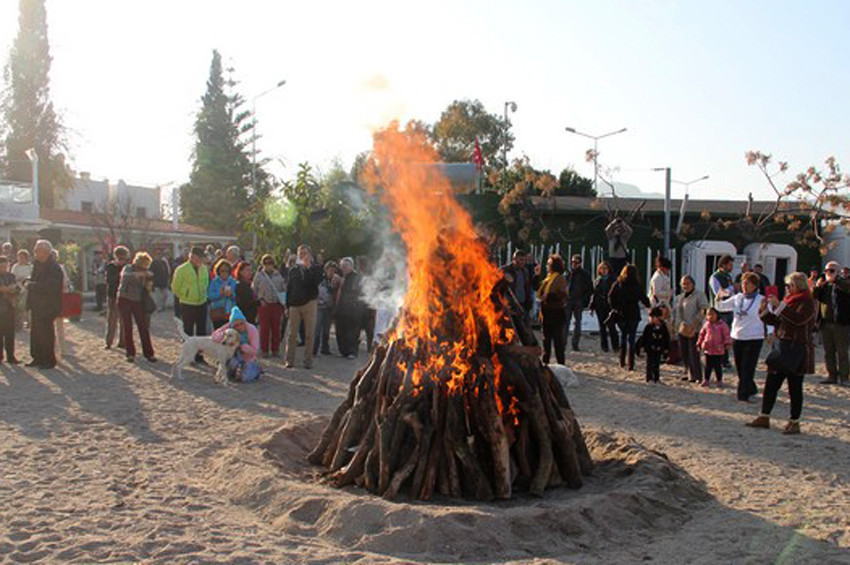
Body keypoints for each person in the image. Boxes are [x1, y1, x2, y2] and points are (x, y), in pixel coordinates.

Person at [747, 272, 817, 435]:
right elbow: (777, 321)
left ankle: (794, 421)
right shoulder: (788, 301)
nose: (787, 288)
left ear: (798, 285)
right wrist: (764, 310)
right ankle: (764, 416)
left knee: (795, 387)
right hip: (781, 346)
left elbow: (798, 320)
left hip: (797, 348)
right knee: (771, 383)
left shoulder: (808, 301)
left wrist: (779, 305)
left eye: (789, 285)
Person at [717, 273, 766, 401]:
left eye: (748, 283)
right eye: (743, 283)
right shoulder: (738, 298)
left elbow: (768, 316)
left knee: (748, 367)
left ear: (755, 286)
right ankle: (751, 388)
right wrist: (719, 297)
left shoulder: (761, 299)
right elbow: (721, 307)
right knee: (740, 367)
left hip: (754, 337)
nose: (744, 286)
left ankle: (743, 394)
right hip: (737, 336)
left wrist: (770, 333)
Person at [25, 240, 63, 369]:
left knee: (46, 333)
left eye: (37, 250)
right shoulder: (37, 264)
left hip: (48, 305)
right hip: (36, 304)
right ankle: (37, 357)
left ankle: (49, 359)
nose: (35, 253)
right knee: (35, 332)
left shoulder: (54, 267)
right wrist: (29, 282)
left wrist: (32, 286)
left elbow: (52, 286)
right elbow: (35, 280)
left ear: (45, 252)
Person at [284, 244, 322, 369]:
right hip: (294, 304)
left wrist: (308, 268)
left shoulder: (315, 269)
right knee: (291, 334)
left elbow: (316, 282)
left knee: (309, 334)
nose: (302, 255)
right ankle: (289, 360)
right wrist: (287, 305)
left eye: (305, 253)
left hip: (309, 303)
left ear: (309, 255)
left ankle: (308, 361)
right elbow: (289, 289)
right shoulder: (293, 270)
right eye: (300, 253)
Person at [813, 261, 850, 386]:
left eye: (832, 271)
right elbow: (815, 296)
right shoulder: (825, 286)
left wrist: (836, 280)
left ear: (838, 272)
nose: (828, 273)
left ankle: (844, 376)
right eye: (827, 271)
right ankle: (832, 375)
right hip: (826, 323)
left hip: (841, 324)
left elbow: (846, 288)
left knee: (842, 351)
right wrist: (818, 286)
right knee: (828, 351)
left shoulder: (844, 283)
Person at [607, 264, 650, 371]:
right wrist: (649, 305)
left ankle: (622, 361)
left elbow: (610, 297)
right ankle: (631, 364)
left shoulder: (618, 284)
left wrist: (615, 307)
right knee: (631, 338)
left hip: (621, 313)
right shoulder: (636, 285)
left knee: (623, 337)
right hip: (633, 313)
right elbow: (644, 299)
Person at [172, 246, 211, 363]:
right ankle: (188, 356)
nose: (201, 260)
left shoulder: (204, 268)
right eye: (200, 257)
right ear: (193, 257)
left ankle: (199, 356)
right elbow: (175, 287)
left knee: (201, 331)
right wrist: (185, 295)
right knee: (188, 331)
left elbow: (206, 283)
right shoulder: (181, 269)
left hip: (202, 303)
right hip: (187, 303)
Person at [118, 251, 156, 363]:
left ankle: (149, 353)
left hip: (138, 300)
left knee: (143, 326)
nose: (145, 267)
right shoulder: (128, 268)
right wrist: (139, 275)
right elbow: (124, 278)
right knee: (127, 326)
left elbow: (148, 289)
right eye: (144, 264)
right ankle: (130, 353)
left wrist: (149, 281)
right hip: (125, 298)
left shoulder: (145, 272)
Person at [674, 275, 708, 383]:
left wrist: (694, 323)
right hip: (682, 328)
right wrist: (680, 325)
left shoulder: (699, 295)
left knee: (694, 353)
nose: (686, 286)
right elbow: (677, 313)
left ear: (693, 284)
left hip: (695, 328)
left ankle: (697, 375)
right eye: (684, 284)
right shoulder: (680, 297)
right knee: (684, 352)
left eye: (688, 283)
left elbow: (704, 309)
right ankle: (688, 372)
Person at [212, 306, 261, 382]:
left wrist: (240, 345)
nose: (239, 326)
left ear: (244, 321)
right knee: (229, 368)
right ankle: (231, 371)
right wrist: (224, 336)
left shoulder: (252, 329)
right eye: (236, 325)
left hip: (248, 357)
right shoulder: (229, 328)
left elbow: (255, 350)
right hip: (232, 355)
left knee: (245, 378)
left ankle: (257, 370)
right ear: (232, 325)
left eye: (241, 323)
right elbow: (215, 335)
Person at [252, 254, 286, 357]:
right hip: (264, 304)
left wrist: (282, 302)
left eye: (270, 263)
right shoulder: (258, 276)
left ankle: (275, 349)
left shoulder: (278, 275)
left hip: (276, 304)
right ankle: (264, 349)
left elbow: (283, 289)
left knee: (276, 328)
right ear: (262, 264)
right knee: (264, 329)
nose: (268, 265)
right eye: (266, 263)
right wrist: (259, 300)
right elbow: (254, 290)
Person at [537, 254, 568, 365]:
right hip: (546, 312)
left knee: (558, 341)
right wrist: (536, 276)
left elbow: (563, 295)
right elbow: (539, 291)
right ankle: (546, 362)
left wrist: (549, 296)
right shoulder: (548, 278)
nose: (547, 266)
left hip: (556, 313)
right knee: (546, 340)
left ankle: (561, 363)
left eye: (549, 264)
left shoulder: (559, 278)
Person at [336, 257, 365, 360]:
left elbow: (356, 292)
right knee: (340, 330)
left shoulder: (356, 277)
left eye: (345, 266)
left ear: (351, 267)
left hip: (352, 310)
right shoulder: (342, 277)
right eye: (342, 266)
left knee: (352, 332)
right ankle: (344, 351)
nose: (343, 268)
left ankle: (352, 352)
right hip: (341, 309)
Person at [709, 255, 736, 367]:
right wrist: (731, 289)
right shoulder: (715, 277)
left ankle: (725, 359)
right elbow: (718, 293)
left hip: (729, 309)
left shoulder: (728, 276)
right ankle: (719, 360)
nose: (731, 266)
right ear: (723, 264)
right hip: (719, 310)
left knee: (727, 336)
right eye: (729, 264)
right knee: (719, 336)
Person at [697, 307, 732, 388]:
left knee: (717, 366)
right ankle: (706, 379)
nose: (710, 316)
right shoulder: (706, 325)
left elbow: (726, 335)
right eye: (708, 315)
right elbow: (701, 334)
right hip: (708, 349)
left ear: (717, 315)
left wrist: (727, 343)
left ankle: (719, 380)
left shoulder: (722, 325)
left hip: (718, 349)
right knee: (707, 366)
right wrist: (699, 343)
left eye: (712, 314)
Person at [564, 254, 592, 351]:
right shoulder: (567, 273)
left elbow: (589, 288)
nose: (573, 264)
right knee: (565, 323)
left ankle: (575, 343)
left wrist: (585, 300)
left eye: (576, 262)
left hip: (578, 300)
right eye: (572, 262)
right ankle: (563, 343)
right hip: (568, 300)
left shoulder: (584, 274)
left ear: (580, 263)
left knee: (578, 323)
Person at [589, 261, 619, 352]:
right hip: (600, 305)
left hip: (610, 306)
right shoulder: (598, 280)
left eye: (605, 268)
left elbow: (616, 294)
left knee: (611, 326)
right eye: (601, 268)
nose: (603, 270)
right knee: (602, 327)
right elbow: (594, 294)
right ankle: (604, 346)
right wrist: (592, 306)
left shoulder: (613, 280)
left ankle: (615, 346)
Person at [314, 261, 341, 356]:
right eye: (329, 270)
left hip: (329, 307)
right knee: (317, 329)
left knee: (326, 329)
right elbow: (314, 290)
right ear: (326, 270)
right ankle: (314, 349)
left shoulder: (336, 280)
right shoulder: (319, 279)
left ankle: (325, 348)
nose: (331, 272)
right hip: (319, 307)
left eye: (333, 270)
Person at [104, 246, 129, 349]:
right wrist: (120, 274)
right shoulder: (111, 266)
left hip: (125, 296)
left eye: (123, 258)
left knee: (124, 320)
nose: (122, 260)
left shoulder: (128, 267)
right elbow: (110, 281)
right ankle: (109, 342)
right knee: (112, 320)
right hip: (113, 295)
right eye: (120, 258)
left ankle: (122, 342)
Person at [637, 306, 670, 383]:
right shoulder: (648, 327)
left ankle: (656, 378)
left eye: (654, 317)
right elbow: (644, 338)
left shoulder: (663, 327)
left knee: (657, 364)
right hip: (650, 348)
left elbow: (666, 338)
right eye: (651, 317)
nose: (652, 319)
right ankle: (649, 378)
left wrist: (666, 348)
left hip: (659, 348)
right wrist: (642, 347)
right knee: (649, 364)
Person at [501, 250, 534, 316]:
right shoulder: (506, 270)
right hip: (511, 305)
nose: (523, 262)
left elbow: (528, 287)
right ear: (514, 259)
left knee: (524, 324)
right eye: (521, 260)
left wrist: (529, 302)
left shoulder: (525, 271)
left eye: (525, 260)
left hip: (523, 305)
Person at [0, 256, 20, 363]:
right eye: (2, 266)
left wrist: (8, 290)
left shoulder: (11, 276)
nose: (4, 268)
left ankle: (10, 356)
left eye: (5, 266)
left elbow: (17, 289)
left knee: (10, 333)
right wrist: (8, 289)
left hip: (9, 306)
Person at [208, 259, 237, 330]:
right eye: (222, 271)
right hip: (218, 311)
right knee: (219, 334)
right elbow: (210, 296)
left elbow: (237, 297)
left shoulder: (233, 282)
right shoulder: (214, 282)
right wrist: (220, 294)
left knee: (229, 334)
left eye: (227, 271)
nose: (225, 273)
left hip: (230, 312)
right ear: (218, 271)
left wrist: (231, 295)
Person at [11, 249, 33, 330]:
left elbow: (32, 276)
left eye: (23, 257)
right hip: (18, 287)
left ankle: (29, 322)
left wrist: (26, 279)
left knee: (26, 306)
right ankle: (18, 324)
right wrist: (18, 279)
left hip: (27, 287)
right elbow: (12, 276)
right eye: (19, 257)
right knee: (18, 306)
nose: (21, 259)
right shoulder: (15, 266)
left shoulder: (30, 267)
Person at [234, 261, 260, 325]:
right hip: (244, 318)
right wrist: (259, 302)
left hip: (251, 318)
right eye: (247, 270)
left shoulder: (249, 284)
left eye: (250, 270)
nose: (250, 272)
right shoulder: (240, 285)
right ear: (240, 272)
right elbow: (245, 303)